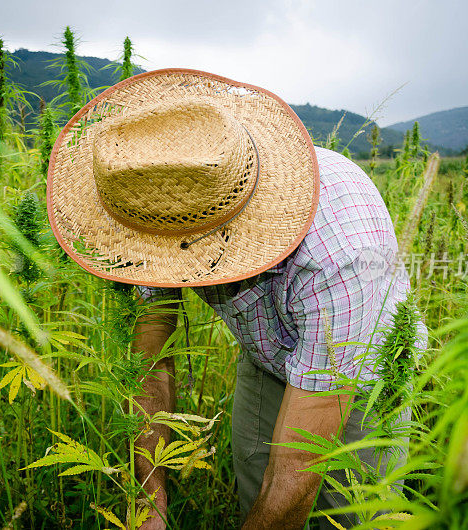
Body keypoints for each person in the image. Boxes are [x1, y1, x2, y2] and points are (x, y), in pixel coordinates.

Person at [46, 68, 423, 529]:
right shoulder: (153, 203)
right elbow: (151, 365)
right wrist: (150, 501)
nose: (175, 266)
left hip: (362, 372)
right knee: (255, 491)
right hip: (265, 355)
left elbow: (295, 476)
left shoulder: (340, 255)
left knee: (352, 516)